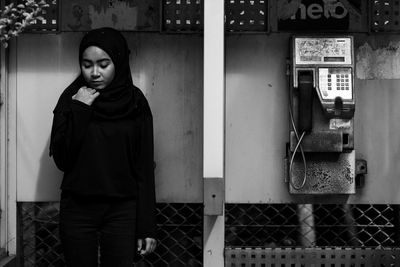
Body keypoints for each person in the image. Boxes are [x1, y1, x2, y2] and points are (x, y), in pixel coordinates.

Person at [49, 27, 157, 266]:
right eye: (87, 64)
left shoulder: (135, 102)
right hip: (78, 208)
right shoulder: (71, 98)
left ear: (118, 61)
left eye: (103, 64)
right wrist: (80, 110)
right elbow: (62, 159)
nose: (94, 73)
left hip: (122, 210)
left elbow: (144, 167)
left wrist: (146, 225)